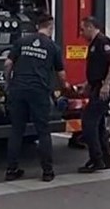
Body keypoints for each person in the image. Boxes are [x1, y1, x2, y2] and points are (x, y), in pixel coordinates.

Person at [4, 13, 65, 182]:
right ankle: (47, 171)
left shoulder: (22, 42)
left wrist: (8, 82)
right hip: (38, 91)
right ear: (50, 27)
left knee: (17, 130)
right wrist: (64, 88)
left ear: (37, 26)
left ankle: (11, 170)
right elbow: (61, 74)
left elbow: (8, 63)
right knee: (43, 131)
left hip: (18, 89)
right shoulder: (53, 47)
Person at [78, 16, 110, 174]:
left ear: (90, 27)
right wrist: (87, 85)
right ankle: (105, 160)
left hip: (103, 87)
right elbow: (97, 69)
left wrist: (106, 84)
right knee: (100, 124)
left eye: (82, 29)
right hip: (97, 86)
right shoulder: (94, 44)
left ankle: (96, 159)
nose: (81, 33)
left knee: (88, 122)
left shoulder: (102, 41)